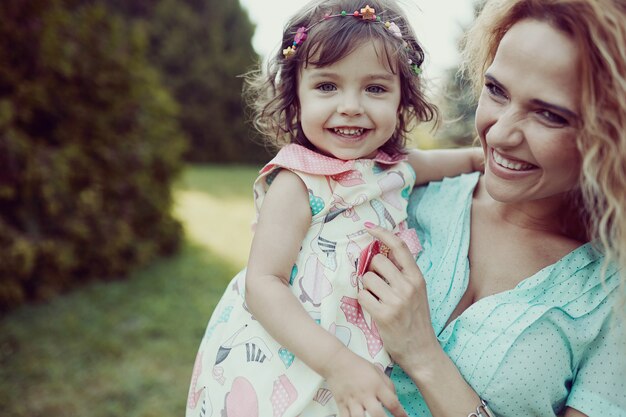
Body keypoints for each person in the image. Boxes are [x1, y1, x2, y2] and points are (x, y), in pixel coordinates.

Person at [185, 1, 483, 416]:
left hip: (356, 365)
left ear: (402, 99)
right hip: (283, 361)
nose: (351, 106)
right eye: (327, 86)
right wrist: (338, 363)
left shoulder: (398, 168)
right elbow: (263, 284)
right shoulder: (297, 181)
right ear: (296, 95)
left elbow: (472, 160)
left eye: (375, 88)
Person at [358, 0, 626, 416]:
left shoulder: (614, 298)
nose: (499, 135)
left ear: (612, 136)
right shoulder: (409, 195)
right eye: (497, 91)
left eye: (549, 115)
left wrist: (424, 356)